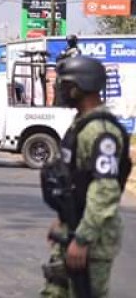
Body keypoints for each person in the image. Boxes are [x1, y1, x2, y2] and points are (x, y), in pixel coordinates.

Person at [40, 56, 131, 298]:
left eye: (65, 84)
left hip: (92, 240)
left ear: (80, 87)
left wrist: (82, 239)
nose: (61, 89)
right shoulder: (80, 124)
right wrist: (63, 220)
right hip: (73, 228)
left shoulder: (101, 132)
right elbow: (75, 181)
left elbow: (104, 191)